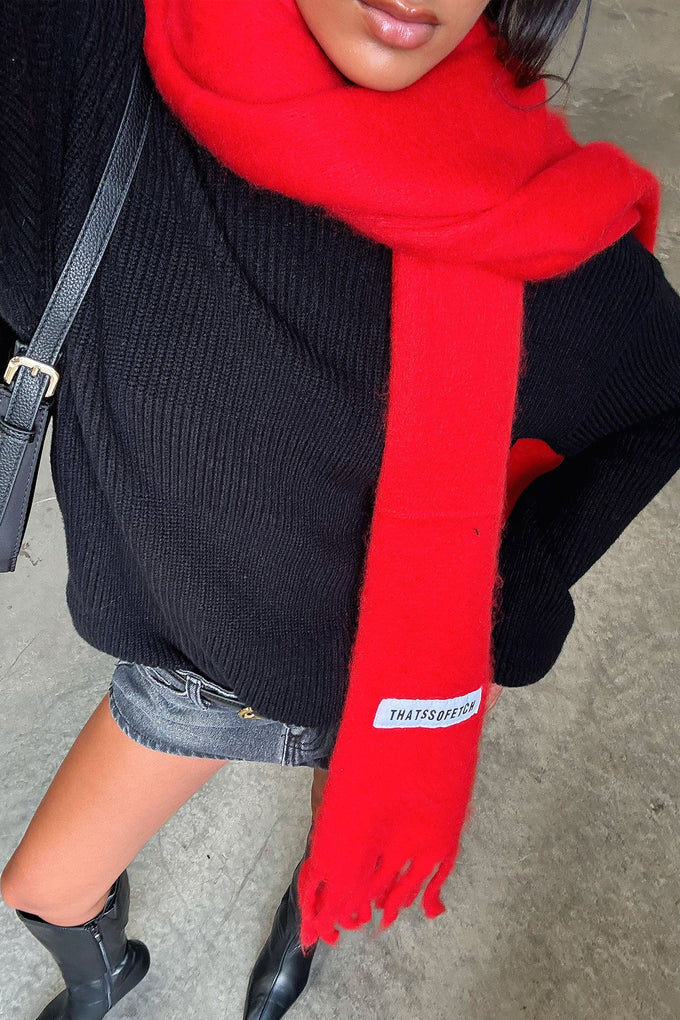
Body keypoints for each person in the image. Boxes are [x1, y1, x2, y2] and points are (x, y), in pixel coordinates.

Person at [1, 1, 678, 1018]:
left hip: (382, 676)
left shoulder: (540, 217)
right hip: (191, 672)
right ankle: (104, 976)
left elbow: (655, 398)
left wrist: (500, 602)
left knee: (351, 835)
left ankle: (310, 913)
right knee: (46, 886)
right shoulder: (96, 57)